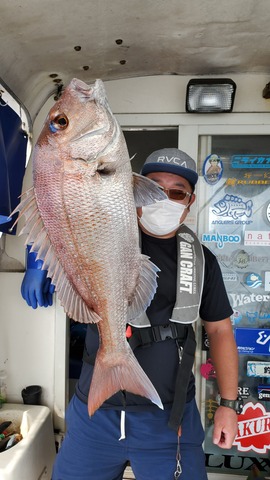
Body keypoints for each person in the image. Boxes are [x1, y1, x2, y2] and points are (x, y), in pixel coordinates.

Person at [21, 148, 240, 480]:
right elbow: (62, 210)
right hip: (94, 415)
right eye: (153, 186)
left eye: (176, 192)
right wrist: (37, 259)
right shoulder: (102, 233)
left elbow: (221, 331)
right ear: (134, 188)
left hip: (170, 421)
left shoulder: (203, 261)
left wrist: (228, 404)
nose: (164, 198)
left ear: (189, 202)